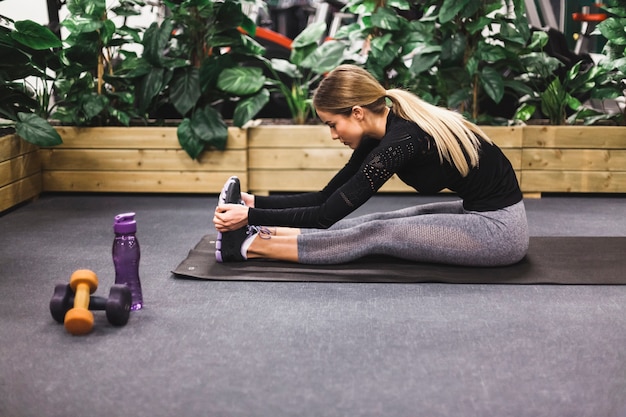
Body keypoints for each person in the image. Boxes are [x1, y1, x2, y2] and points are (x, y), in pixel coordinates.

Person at [213, 64, 528, 266]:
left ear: (357, 112)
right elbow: (326, 198)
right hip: (479, 213)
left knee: (376, 232)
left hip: (500, 233)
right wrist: (254, 204)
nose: (333, 135)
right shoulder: (382, 134)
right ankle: (264, 230)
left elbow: (324, 217)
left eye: (332, 124)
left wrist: (247, 217)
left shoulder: (402, 141)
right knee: (377, 219)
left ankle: (249, 246)